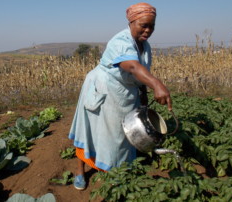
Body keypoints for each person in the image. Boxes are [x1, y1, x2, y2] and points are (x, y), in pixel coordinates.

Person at [68, 2, 172, 190]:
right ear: (132, 22)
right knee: (91, 131)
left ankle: (118, 172)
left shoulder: (144, 45)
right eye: (144, 25)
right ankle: (80, 171)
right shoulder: (120, 42)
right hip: (103, 89)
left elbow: (139, 73)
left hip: (123, 93)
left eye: (152, 26)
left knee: (121, 135)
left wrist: (144, 94)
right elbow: (132, 67)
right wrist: (157, 84)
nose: (148, 30)